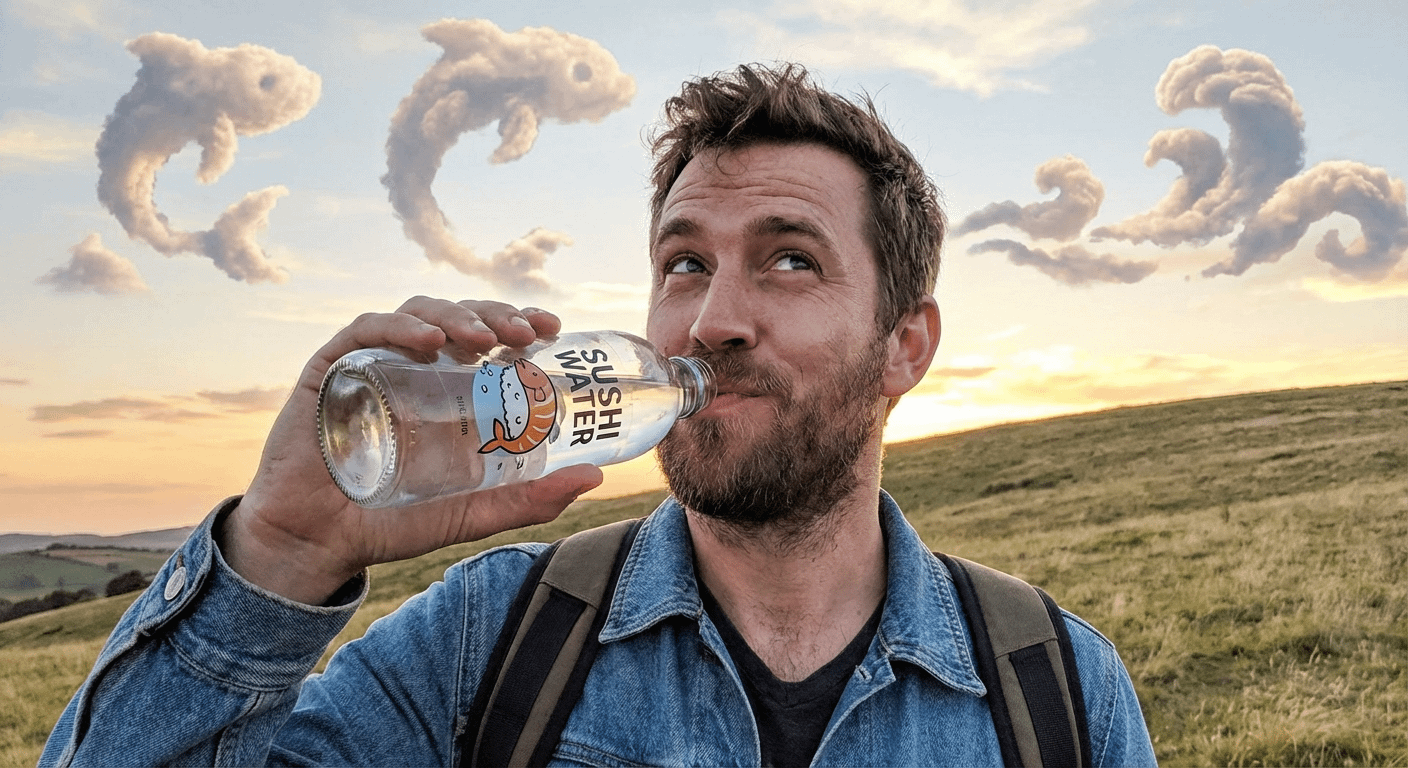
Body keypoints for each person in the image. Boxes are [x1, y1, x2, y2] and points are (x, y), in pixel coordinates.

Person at [43, 63, 1156, 766]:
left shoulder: (1051, 689)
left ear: (904, 346)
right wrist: (277, 558)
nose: (711, 320)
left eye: (788, 258)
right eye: (683, 263)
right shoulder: (488, 643)